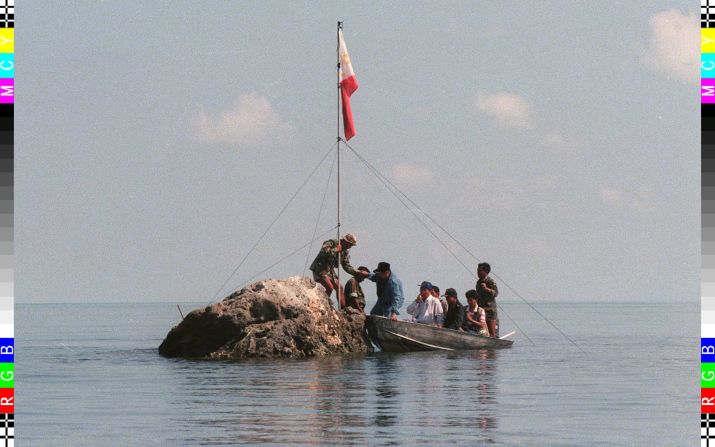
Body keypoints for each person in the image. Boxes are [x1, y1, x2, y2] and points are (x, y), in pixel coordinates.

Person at [309, 233, 368, 308]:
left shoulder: (344, 252)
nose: (350, 247)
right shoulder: (331, 243)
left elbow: (346, 266)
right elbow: (323, 252)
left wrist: (357, 272)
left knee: (339, 287)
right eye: (350, 244)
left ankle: (343, 308)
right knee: (329, 287)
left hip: (330, 271)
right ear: (345, 241)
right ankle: (322, 304)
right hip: (320, 268)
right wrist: (336, 249)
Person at [475, 262, 499, 337]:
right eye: (477, 270)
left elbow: (495, 293)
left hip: (490, 310)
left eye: (479, 271)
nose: (477, 272)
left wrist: (486, 289)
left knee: (492, 333)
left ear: (486, 272)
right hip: (481, 310)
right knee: (482, 331)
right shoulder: (478, 282)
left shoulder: (490, 281)